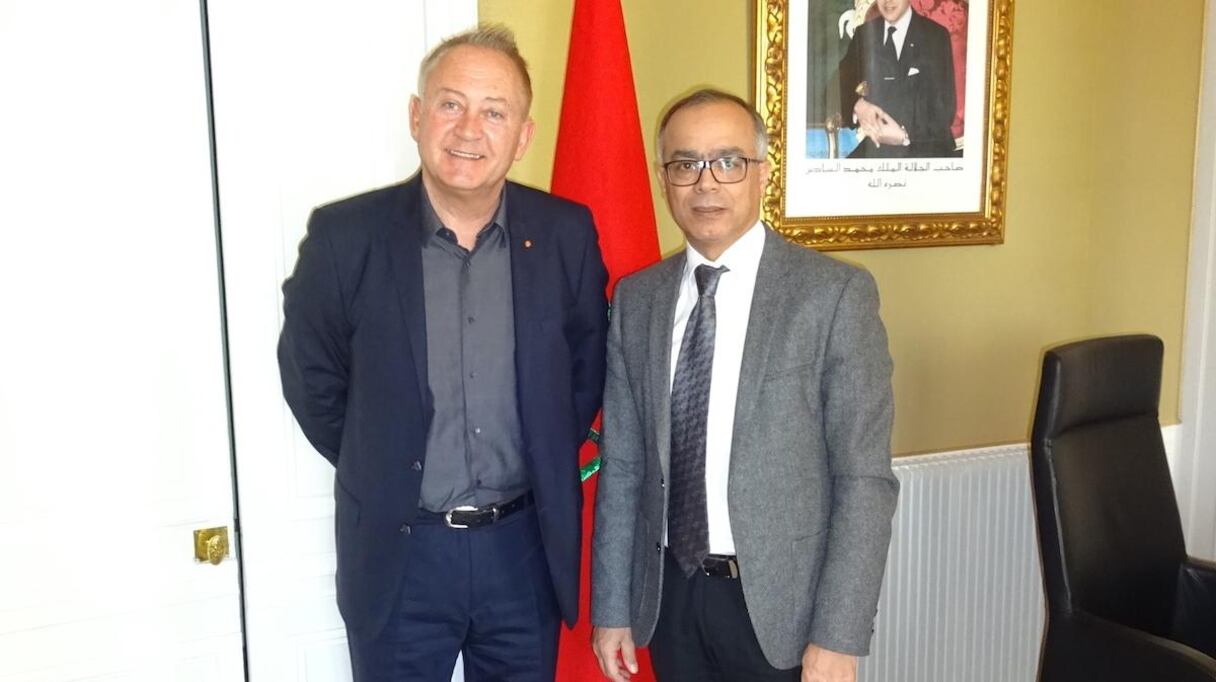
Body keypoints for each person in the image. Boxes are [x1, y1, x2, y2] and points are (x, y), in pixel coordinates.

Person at [278, 25, 608, 682]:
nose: (468, 129)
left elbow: (583, 373)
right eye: (451, 103)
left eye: (494, 111)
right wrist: (385, 459)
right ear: (416, 116)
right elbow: (311, 378)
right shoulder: (345, 238)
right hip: (403, 555)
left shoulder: (566, 234)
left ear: (523, 136)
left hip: (523, 552)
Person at [590, 89, 898, 682]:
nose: (706, 183)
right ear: (664, 180)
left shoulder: (833, 297)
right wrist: (612, 608)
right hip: (669, 601)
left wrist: (837, 636)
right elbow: (624, 465)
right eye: (685, 164)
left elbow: (864, 479)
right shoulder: (638, 300)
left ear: (762, 173)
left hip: (783, 614)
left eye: (728, 162)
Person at [838, 0, 956, 158]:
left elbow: (944, 111)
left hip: (926, 147)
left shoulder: (935, 35)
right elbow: (837, 85)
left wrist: (904, 137)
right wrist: (858, 105)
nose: (888, 2)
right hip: (876, 149)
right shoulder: (864, 34)